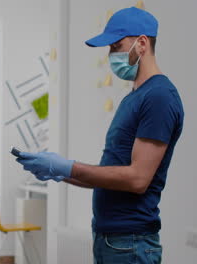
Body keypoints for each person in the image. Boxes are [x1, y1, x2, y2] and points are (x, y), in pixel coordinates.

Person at [16, 7, 184, 264]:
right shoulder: (134, 97)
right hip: (112, 239)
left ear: (141, 43)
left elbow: (138, 179)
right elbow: (113, 173)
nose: (111, 55)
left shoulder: (159, 97)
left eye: (116, 46)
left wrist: (70, 167)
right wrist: (61, 172)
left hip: (131, 242)